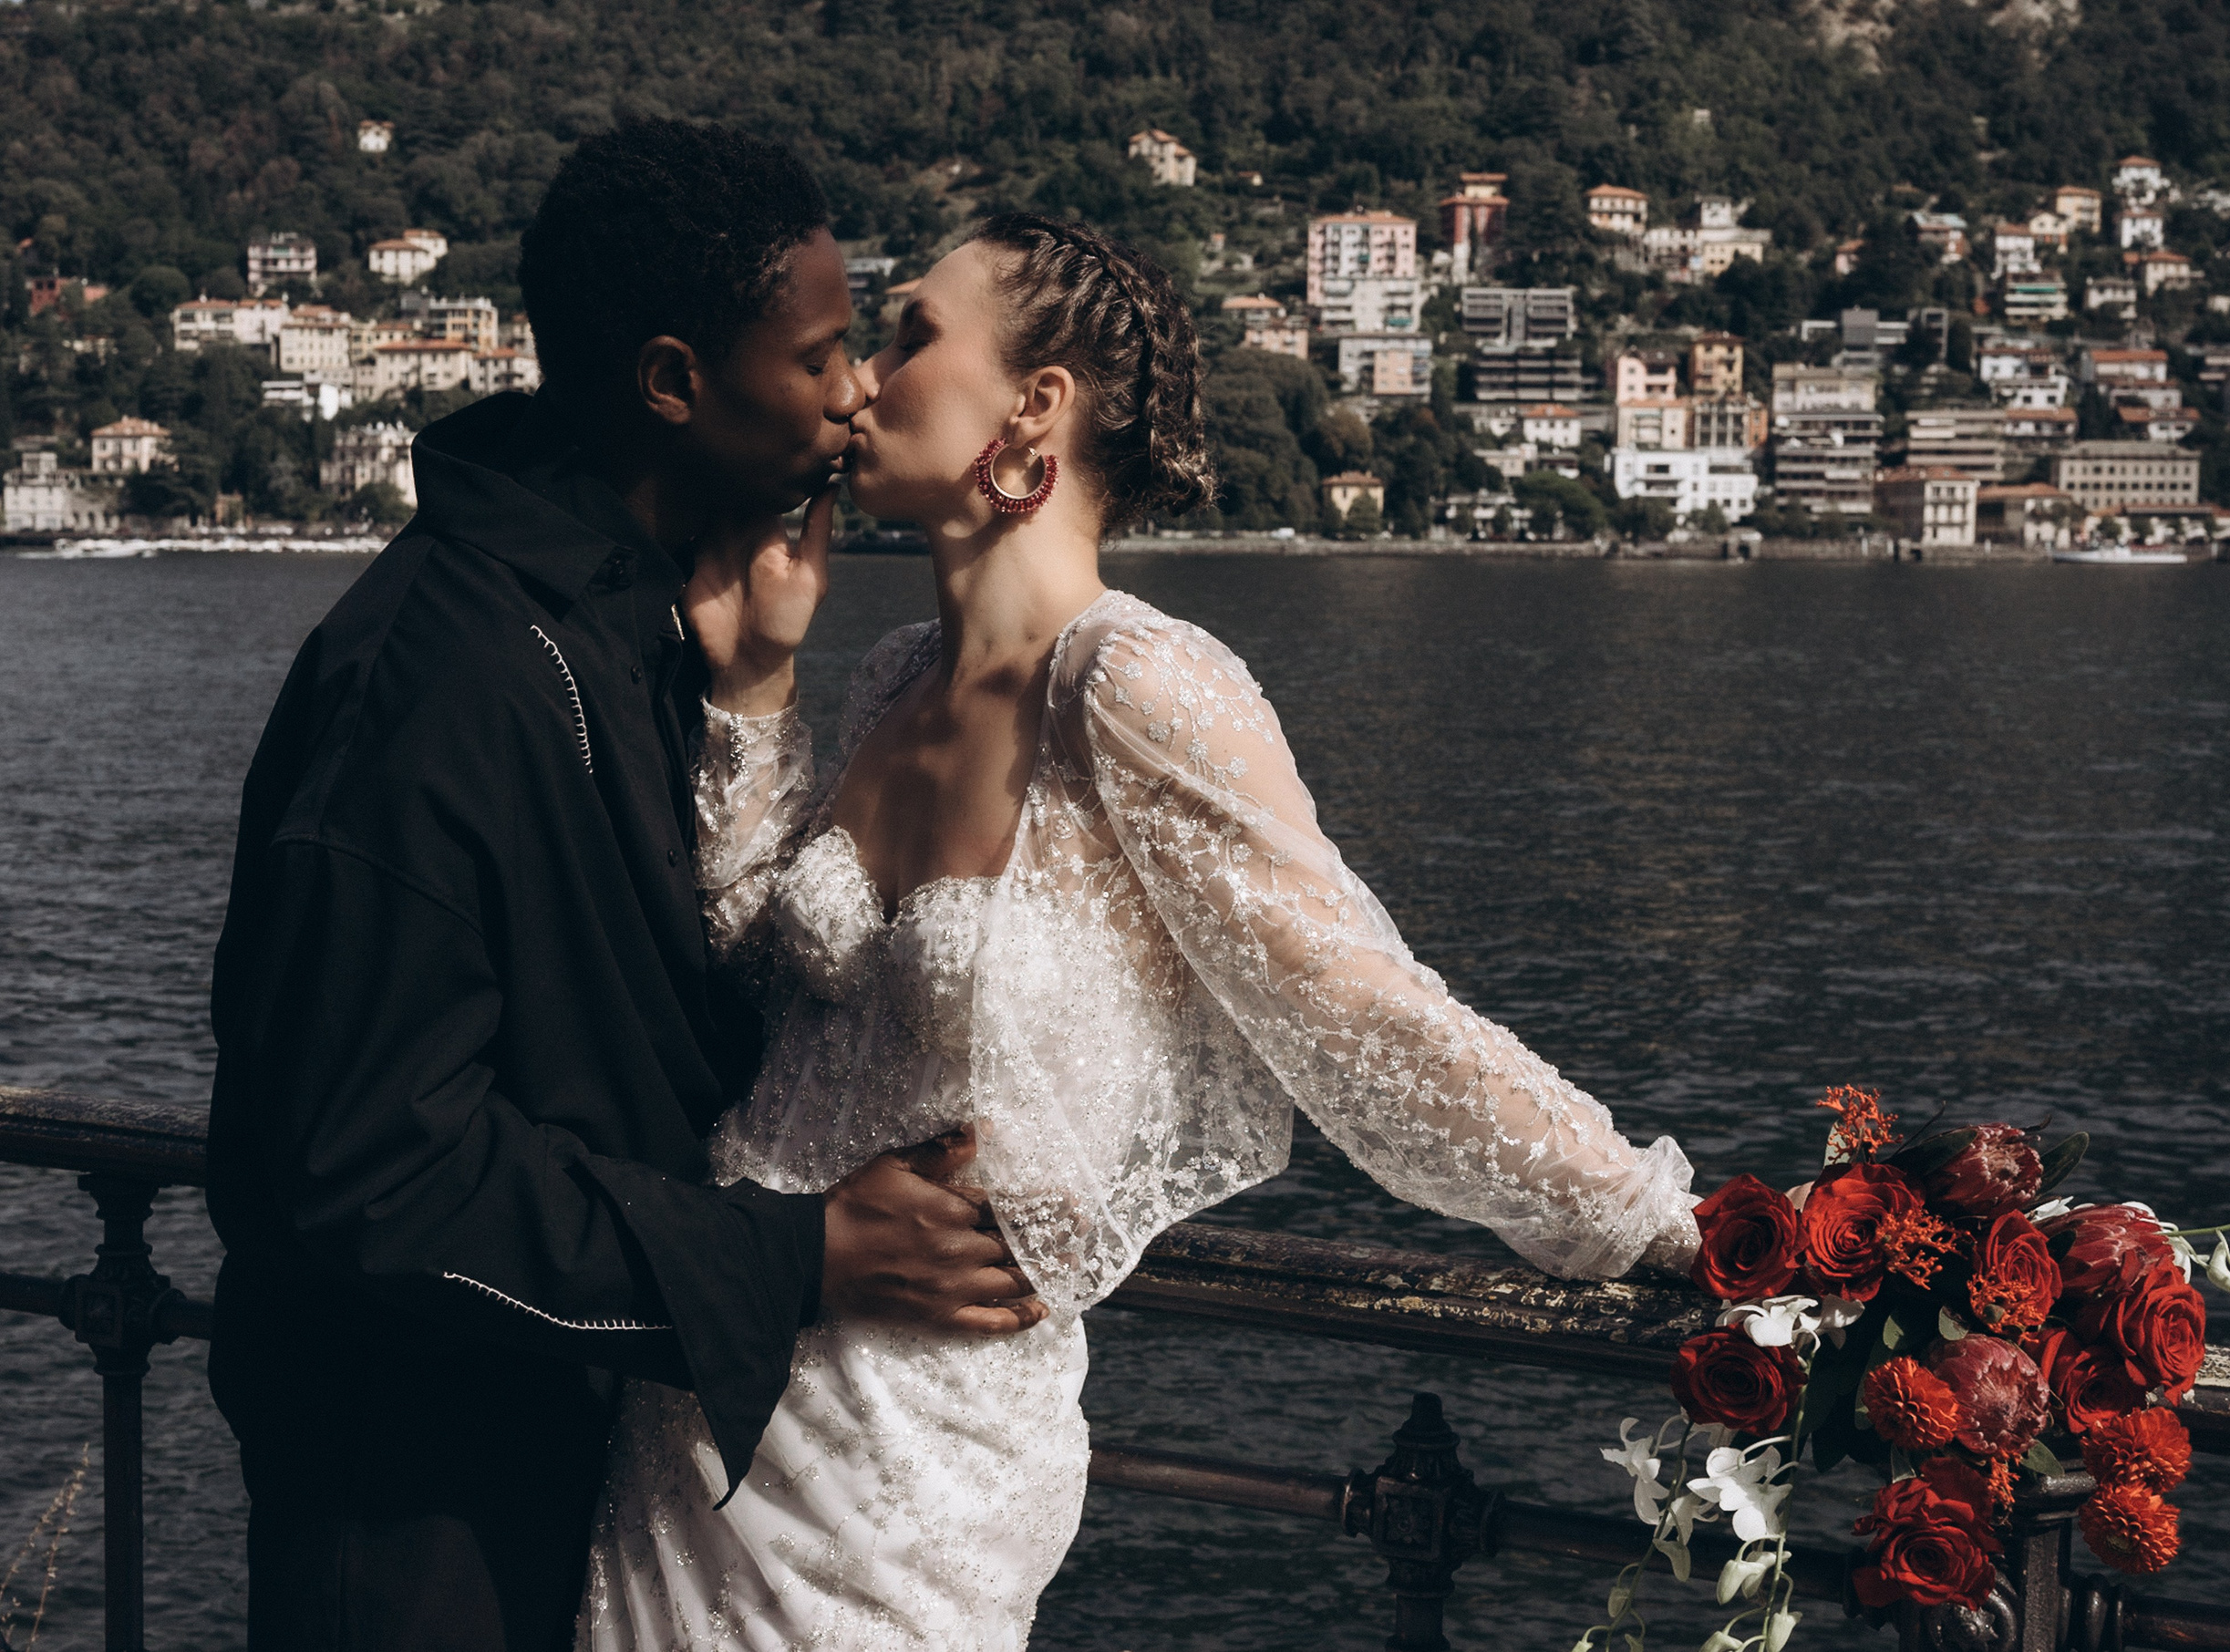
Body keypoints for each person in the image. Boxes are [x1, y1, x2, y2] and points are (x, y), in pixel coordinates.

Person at [581, 212, 1702, 1649]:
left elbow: (1363, 1016)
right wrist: (754, 691)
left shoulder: (1137, 682)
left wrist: (1666, 1226)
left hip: (917, 1467)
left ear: (1033, 405)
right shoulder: (892, 676)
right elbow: (755, 981)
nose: (857, 381)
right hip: (706, 1400)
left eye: (911, 335)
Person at [203, 120, 1041, 1652]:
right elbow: (368, 1167)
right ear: (672, 382)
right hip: (417, 1505)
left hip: (585, 1461)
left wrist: (756, 686)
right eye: (819, 356)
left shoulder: (638, 629)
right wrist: (794, 1255)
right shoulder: (432, 684)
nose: (857, 392)